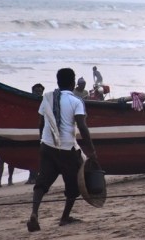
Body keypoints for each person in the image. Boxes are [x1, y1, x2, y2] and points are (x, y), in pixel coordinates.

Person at [26, 68, 97, 232]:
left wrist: (42, 143)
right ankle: (64, 217)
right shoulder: (76, 101)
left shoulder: (47, 98)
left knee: (42, 182)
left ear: (58, 82)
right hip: (66, 149)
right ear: (73, 83)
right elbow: (82, 127)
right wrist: (92, 151)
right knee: (75, 185)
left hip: (47, 147)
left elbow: (40, 124)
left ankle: (34, 214)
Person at [26, 83, 44, 185]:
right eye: (36, 91)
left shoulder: (44, 103)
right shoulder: (28, 102)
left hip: (41, 134)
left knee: (39, 156)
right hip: (31, 132)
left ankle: (35, 177)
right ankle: (32, 177)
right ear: (32, 91)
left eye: (40, 91)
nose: (38, 93)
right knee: (32, 155)